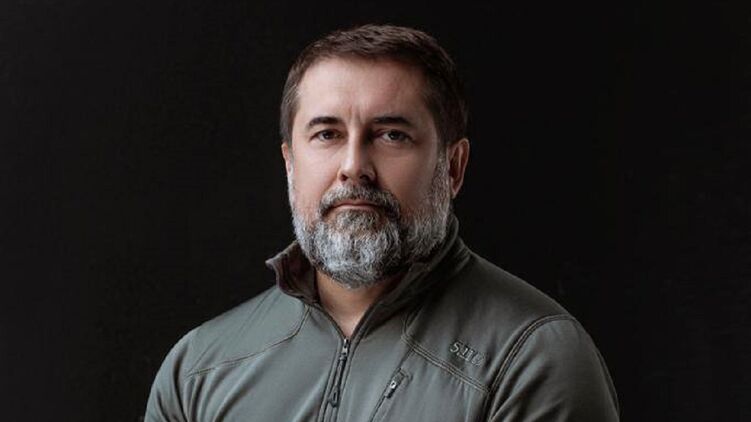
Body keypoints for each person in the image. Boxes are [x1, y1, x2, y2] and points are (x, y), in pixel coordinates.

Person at [145, 24, 619, 421]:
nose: (354, 166)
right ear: (290, 165)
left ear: (453, 167)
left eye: (392, 135)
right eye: (327, 134)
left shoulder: (532, 359)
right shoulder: (198, 369)